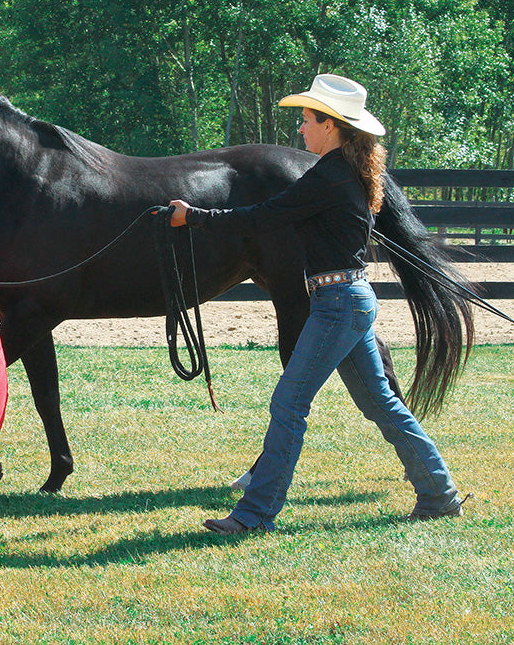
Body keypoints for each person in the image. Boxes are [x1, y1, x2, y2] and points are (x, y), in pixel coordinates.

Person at [168, 74, 466, 533]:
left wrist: (195, 216)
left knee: (289, 403)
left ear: (331, 126)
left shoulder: (328, 176)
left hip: (338, 303)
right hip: (350, 299)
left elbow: (262, 218)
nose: (301, 130)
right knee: (381, 403)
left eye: (307, 120)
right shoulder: (348, 170)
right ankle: (439, 494)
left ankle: (254, 514)